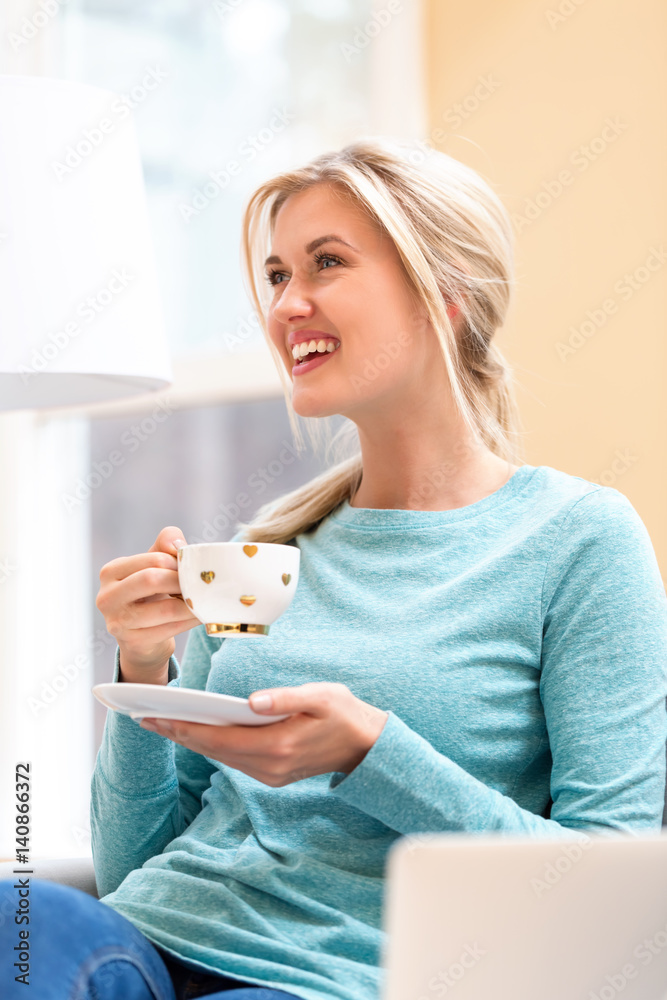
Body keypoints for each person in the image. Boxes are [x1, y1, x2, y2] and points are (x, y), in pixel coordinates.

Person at [2, 136, 666, 999]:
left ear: (447, 294)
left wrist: (371, 752)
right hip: (149, 940)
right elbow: (134, 867)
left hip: (332, 980)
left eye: (325, 263)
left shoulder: (575, 541)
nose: (286, 304)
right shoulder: (269, 552)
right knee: (23, 921)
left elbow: (610, 891)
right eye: (277, 275)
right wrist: (142, 668)